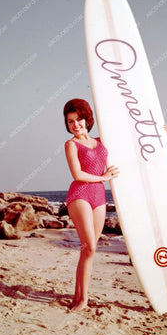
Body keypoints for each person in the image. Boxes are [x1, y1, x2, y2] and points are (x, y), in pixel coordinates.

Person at [63, 98, 119, 311]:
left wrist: (160, 130)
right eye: (70, 122)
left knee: (89, 251)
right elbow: (77, 174)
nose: (75, 125)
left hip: (99, 197)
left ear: (87, 119)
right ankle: (83, 300)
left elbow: (128, 136)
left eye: (78, 120)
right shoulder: (71, 144)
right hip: (80, 195)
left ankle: (78, 297)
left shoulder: (100, 140)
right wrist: (104, 177)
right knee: (90, 247)